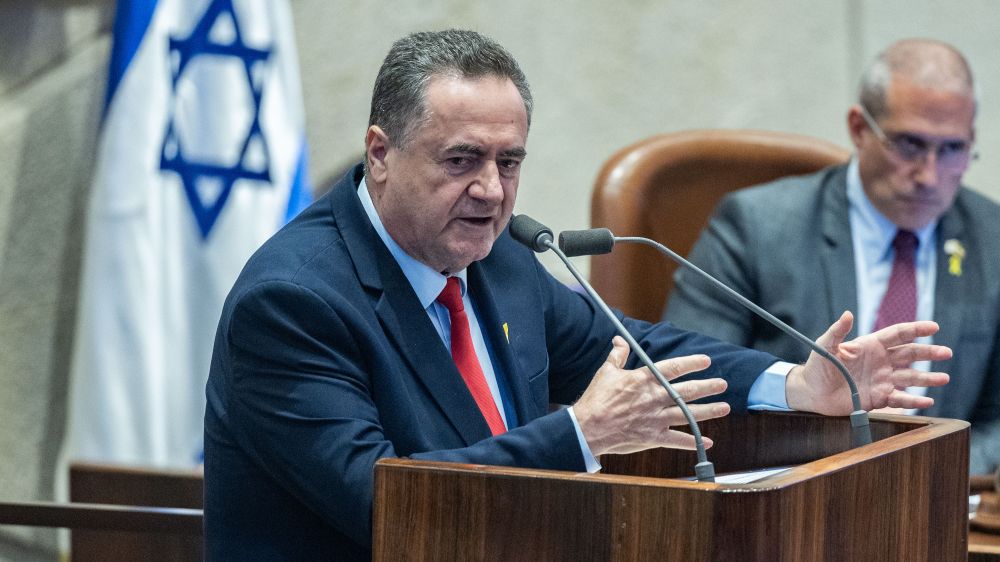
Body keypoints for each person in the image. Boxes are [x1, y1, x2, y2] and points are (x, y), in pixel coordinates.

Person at [204, 30, 950, 560]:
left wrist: (796, 384)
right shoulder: (293, 302)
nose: (491, 191)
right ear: (380, 153)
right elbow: (382, 505)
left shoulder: (497, 260)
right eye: (462, 160)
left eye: (509, 162)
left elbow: (634, 349)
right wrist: (580, 436)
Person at [665, 38, 999, 475]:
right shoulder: (755, 227)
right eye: (909, 144)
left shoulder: (992, 239)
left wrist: (929, 472)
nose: (929, 175)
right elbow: (690, 382)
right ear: (859, 128)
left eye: (952, 149)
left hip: (940, 494)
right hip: (792, 487)